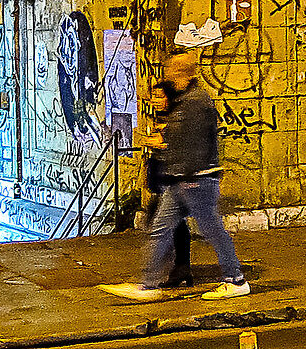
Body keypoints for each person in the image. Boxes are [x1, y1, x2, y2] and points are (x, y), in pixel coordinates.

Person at [100, 51, 248, 300]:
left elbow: (197, 143)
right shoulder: (182, 100)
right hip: (180, 180)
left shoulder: (196, 101)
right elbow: (178, 139)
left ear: (183, 72)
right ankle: (148, 285)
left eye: (172, 70)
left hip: (196, 180)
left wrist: (188, 173)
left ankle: (236, 280)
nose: (168, 74)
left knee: (212, 230)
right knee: (159, 229)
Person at [140, 72, 195, 288]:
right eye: (153, 97)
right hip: (161, 174)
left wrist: (161, 143)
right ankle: (177, 267)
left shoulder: (177, 115)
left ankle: (172, 268)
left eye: (160, 97)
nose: (155, 101)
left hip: (174, 177)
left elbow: (180, 143)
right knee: (167, 223)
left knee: (168, 224)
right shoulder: (160, 117)